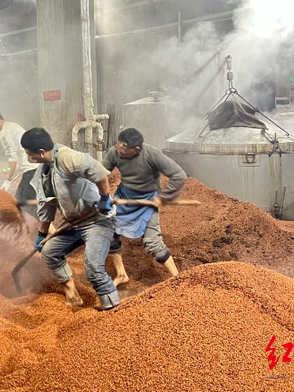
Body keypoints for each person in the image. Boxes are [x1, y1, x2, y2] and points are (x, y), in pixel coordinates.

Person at [22, 127, 120, 310]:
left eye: (29, 154)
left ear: (41, 152)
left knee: (93, 267)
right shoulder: (44, 171)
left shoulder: (66, 157)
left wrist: (105, 198)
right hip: (73, 224)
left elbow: (98, 171)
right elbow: (47, 205)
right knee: (50, 252)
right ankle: (73, 296)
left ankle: (113, 309)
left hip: (97, 219)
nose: (29, 158)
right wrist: (42, 233)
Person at [102, 127, 187, 285]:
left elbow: (179, 175)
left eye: (124, 149)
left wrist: (163, 197)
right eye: (119, 146)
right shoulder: (115, 152)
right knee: (109, 230)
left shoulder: (152, 154)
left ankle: (178, 280)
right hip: (124, 198)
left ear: (136, 149)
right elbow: (100, 172)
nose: (119, 151)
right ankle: (121, 274)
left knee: (152, 242)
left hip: (148, 200)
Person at [0, 109, 37, 214]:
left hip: (31, 169)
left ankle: (42, 223)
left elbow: (12, 158)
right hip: (33, 166)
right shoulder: (12, 125)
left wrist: (8, 180)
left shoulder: (4, 133)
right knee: (18, 200)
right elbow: (20, 151)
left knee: (27, 204)